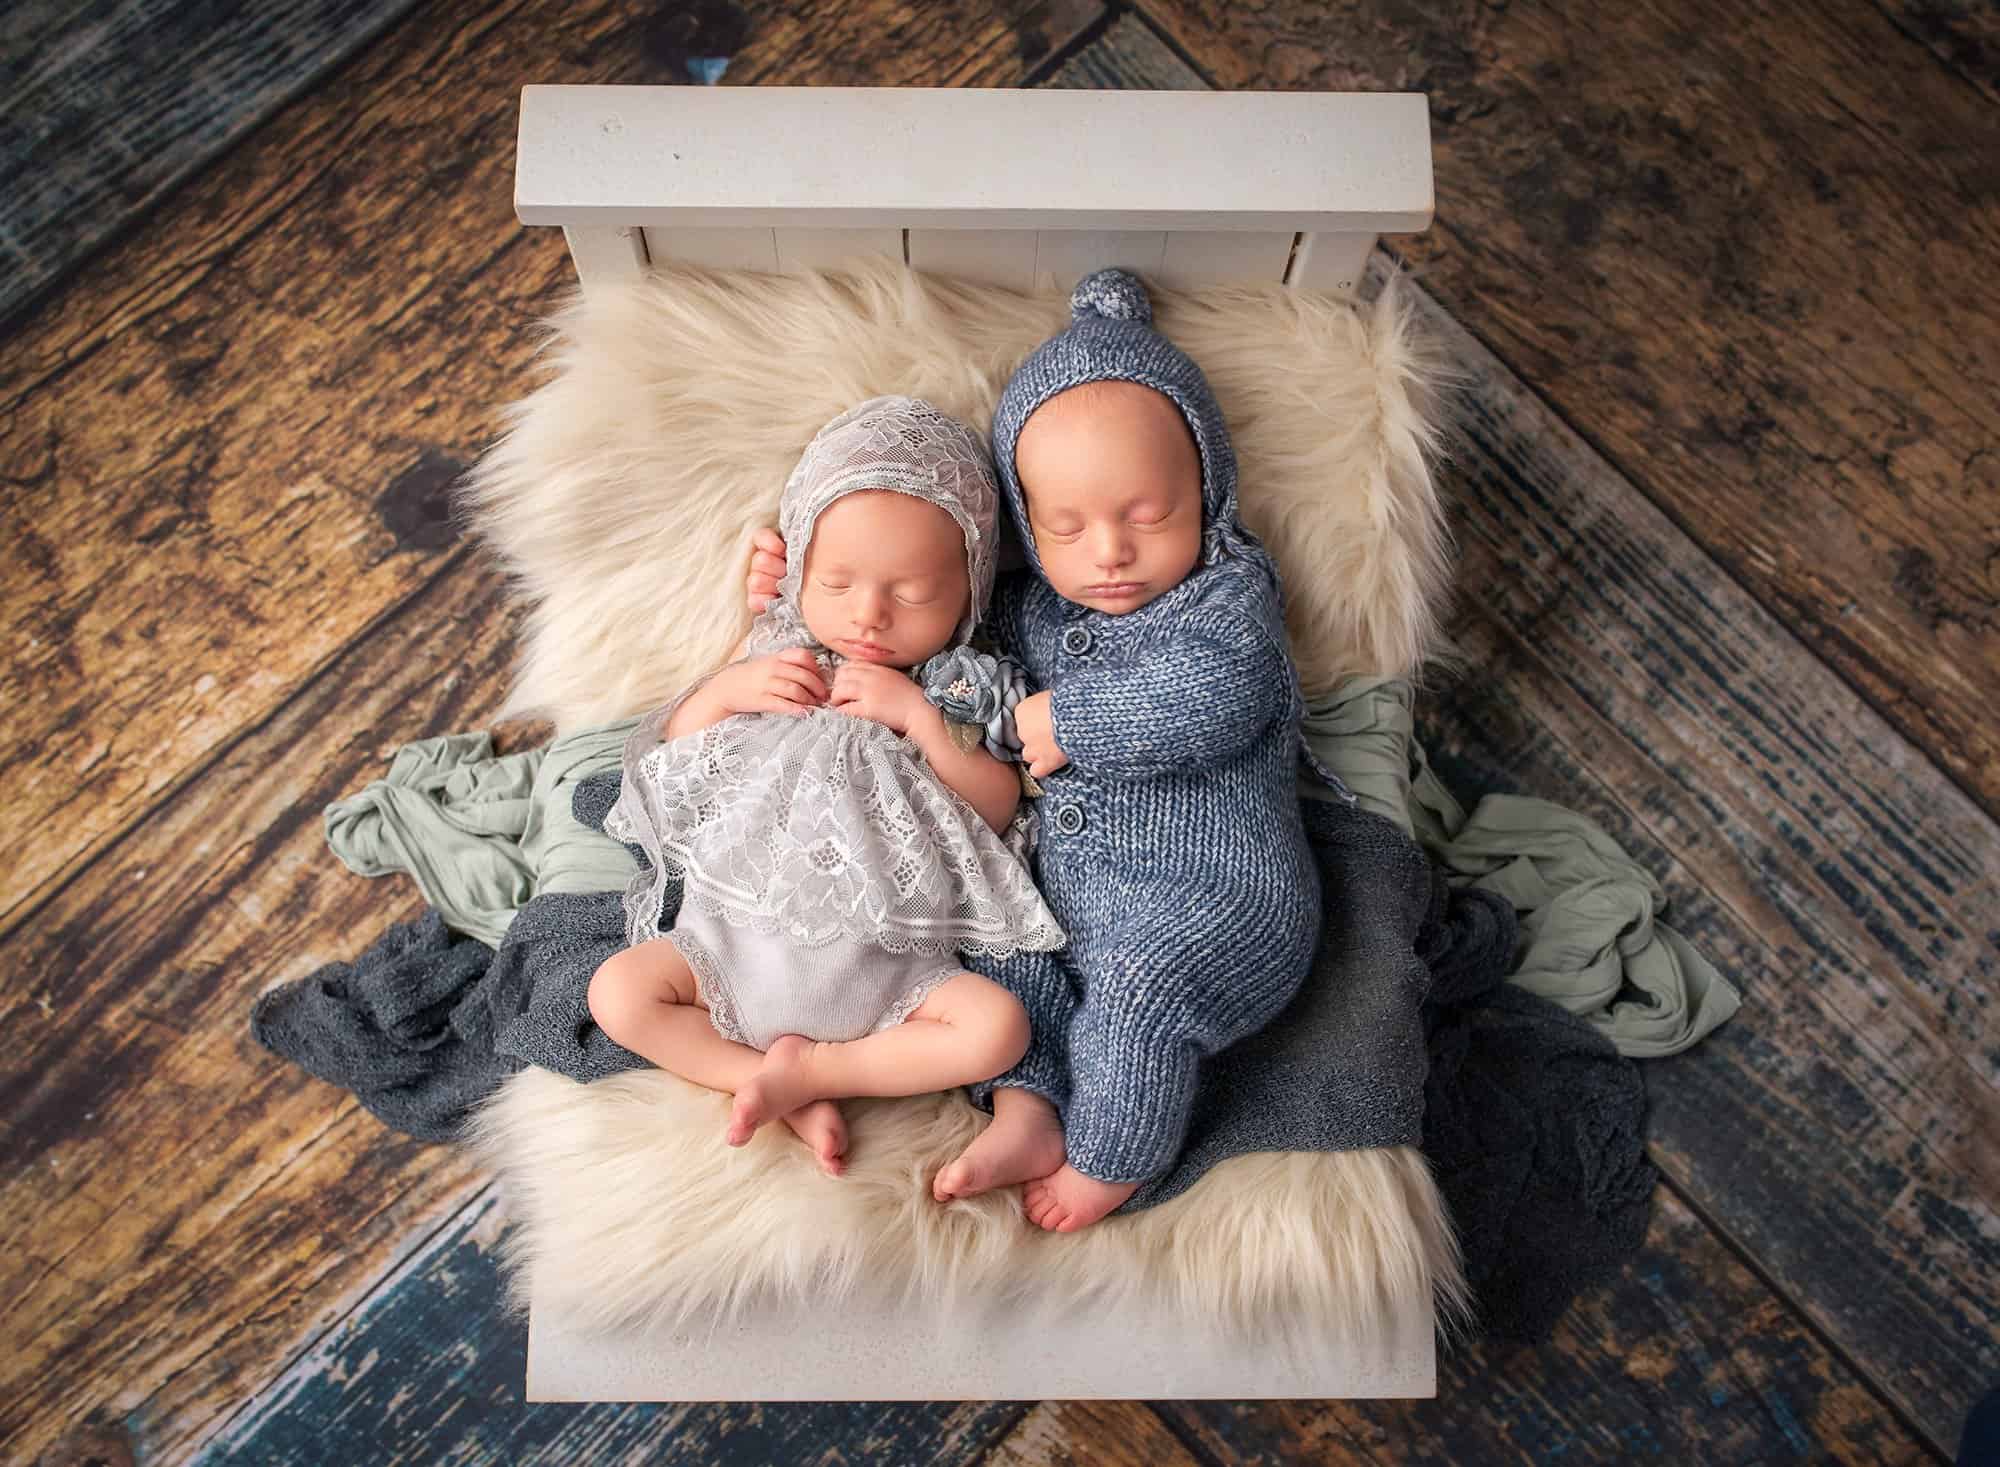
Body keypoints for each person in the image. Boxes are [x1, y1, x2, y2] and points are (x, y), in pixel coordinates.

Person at [749, 272, 1324, 1230]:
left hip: (1217, 900)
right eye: (1066, 526)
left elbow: (1226, 694)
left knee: (1139, 995)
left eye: (1149, 516)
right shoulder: (1032, 610)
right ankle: (1031, 1109)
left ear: (1208, 492)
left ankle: (1113, 1156)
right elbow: (923, 622)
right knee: (998, 947)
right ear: (1026, 526)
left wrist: (1078, 720)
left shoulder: (1226, 599)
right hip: (1068, 907)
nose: (1110, 552)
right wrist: (788, 588)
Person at [591, 396, 1063, 1176]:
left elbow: (994, 805)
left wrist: (917, 718)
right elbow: (681, 748)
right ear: (801, 569)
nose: (869, 614)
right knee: (616, 992)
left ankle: (818, 1072)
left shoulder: (957, 686)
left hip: (889, 971)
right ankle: (761, 1079)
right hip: (730, 948)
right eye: (838, 582)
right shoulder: (781, 652)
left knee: (999, 1028)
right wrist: (731, 688)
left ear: (968, 594)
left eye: (912, 594)